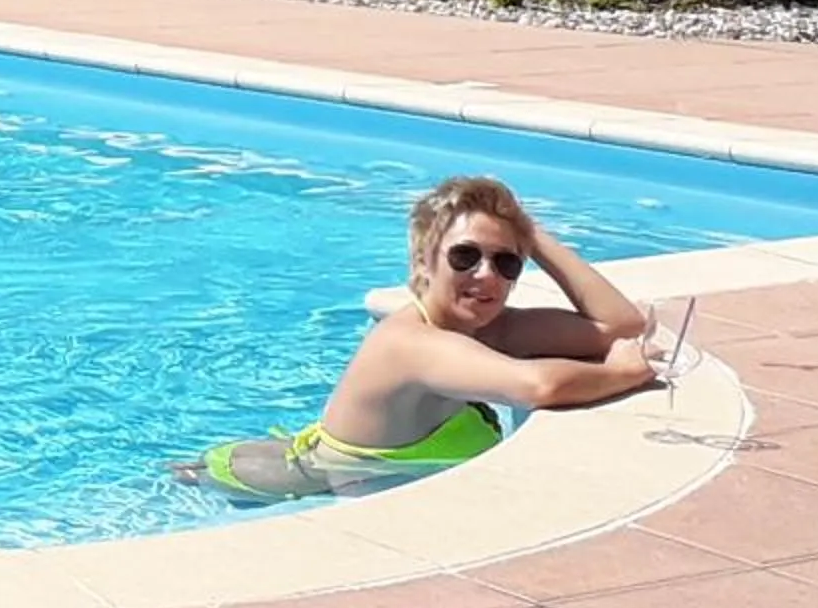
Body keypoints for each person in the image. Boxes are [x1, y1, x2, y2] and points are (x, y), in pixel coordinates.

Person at [178, 174, 652, 500]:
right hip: (266, 488)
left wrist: (532, 236)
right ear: (425, 260)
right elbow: (538, 387)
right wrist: (621, 374)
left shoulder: (488, 327)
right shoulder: (413, 344)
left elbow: (622, 325)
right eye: (465, 256)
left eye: (506, 262)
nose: (486, 275)